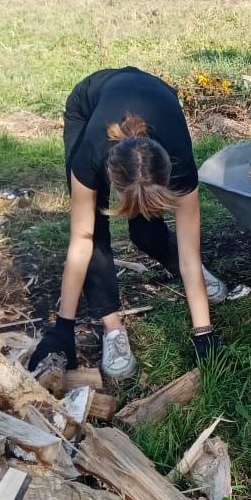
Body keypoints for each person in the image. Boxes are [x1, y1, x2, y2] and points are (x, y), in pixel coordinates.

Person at [28, 67, 227, 378]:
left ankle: (195, 283)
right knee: (94, 230)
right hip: (89, 106)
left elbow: (191, 253)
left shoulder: (180, 162)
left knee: (147, 233)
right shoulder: (91, 156)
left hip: (158, 96)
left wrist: (204, 332)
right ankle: (112, 326)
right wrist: (62, 328)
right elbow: (81, 241)